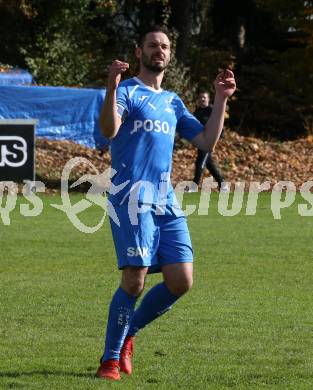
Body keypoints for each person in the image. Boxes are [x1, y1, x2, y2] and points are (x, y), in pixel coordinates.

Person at [96, 25, 236, 381]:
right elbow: (110, 130)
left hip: (165, 199)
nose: (159, 50)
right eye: (152, 45)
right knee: (134, 281)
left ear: (170, 55)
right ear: (139, 51)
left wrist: (220, 100)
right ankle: (109, 361)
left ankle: (129, 335)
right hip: (131, 197)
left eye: (165, 46)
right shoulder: (127, 91)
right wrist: (112, 88)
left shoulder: (172, 101)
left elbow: (205, 141)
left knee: (181, 280)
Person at [191, 90, 228, 192]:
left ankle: (194, 186)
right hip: (201, 141)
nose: (202, 99)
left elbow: (219, 125)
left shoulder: (212, 110)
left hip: (210, 140)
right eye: (200, 97)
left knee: (200, 163)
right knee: (209, 164)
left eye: (204, 97)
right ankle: (223, 185)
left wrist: (216, 139)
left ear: (208, 99)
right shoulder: (197, 111)